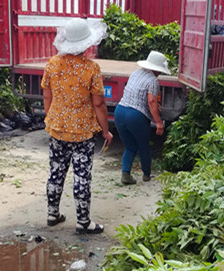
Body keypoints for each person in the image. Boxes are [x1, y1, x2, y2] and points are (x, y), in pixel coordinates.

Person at [41, 18, 113, 234]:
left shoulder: (52, 64)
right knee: (82, 176)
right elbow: (98, 103)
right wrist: (106, 131)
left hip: (57, 129)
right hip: (83, 133)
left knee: (56, 172)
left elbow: (46, 94)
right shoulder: (91, 69)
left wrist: (54, 117)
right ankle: (83, 222)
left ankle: (52, 214)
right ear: (86, 43)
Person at [113, 51, 171, 185]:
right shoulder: (153, 81)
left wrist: (154, 107)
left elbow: (134, 93)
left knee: (130, 146)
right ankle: (146, 175)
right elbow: (151, 101)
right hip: (135, 117)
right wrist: (158, 122)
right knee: (143, 145)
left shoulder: (135, 73)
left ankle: (125, 174)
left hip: (120, 111)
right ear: (157, 69)